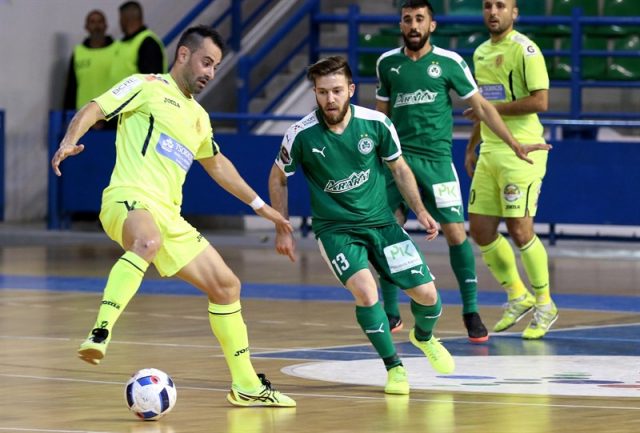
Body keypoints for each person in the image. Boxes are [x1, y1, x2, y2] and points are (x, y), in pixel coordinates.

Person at [51, 25, 295, 408]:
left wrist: (261, 207)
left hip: (170, 216)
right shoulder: (145, 86)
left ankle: (246, 384)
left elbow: (217, 165)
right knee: (147, 241)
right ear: (183, 54)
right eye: (206, 62)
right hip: (128, 198)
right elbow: (95, 107)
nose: (210, 73)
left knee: (227, 286)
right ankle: (100, 332)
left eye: (216, 66)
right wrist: (69, 139)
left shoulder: (199, 116)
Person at [269, 56, 455, 396]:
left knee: (428, 296)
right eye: (322, 92)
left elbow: (399, 168)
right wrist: (282, 225)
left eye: (337, 90)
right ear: (315, 93)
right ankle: (394, 368)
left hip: (382, 224)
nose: (330, 99)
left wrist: (420, 210)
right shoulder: (300, 134)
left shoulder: (377, 123)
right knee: (367, 293)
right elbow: (278, 177)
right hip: (336, 230)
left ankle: (424, 337)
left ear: (351, 90)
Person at [375, 0, 545, 343]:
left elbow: (482, 107)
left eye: (419, 19)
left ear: (432, 25)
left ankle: (471, 311)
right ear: (401, 25)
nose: (413, 25)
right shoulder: (387, 64)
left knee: (456, 233)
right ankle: (390, 309)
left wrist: (513, 143)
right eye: (407, 19)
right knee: (389, 231)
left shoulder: (449, 62)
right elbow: (380, 118)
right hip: (398, 162)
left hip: (437, 163)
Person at [464, 0, 557, 340]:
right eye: (488, 6)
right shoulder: (480, 52)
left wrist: (491, 109)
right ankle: (518, 295)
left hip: (524, 149)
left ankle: (545, 304)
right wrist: (472, 145)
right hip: (490, 150)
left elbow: (541, 101)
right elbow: (482, 105)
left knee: (519, 229)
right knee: (480, 230)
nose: (493, 12)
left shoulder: (526, 50)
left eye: (501, 5)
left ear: (514, 13)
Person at [63, 10, 117, 113]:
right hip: (83, 114)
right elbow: (71, 88)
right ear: (86, 27)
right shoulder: (78, 52)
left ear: (106, 25)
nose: (96, 26)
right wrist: (68, 114)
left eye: (100, 21)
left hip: (112, 114)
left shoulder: (118, 50)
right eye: (92, 22)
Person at [110, 1, 167, 84]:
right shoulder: (123, 43)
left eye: (120, 19)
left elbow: (152, 82)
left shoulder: (148, 43)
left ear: (125, 19)